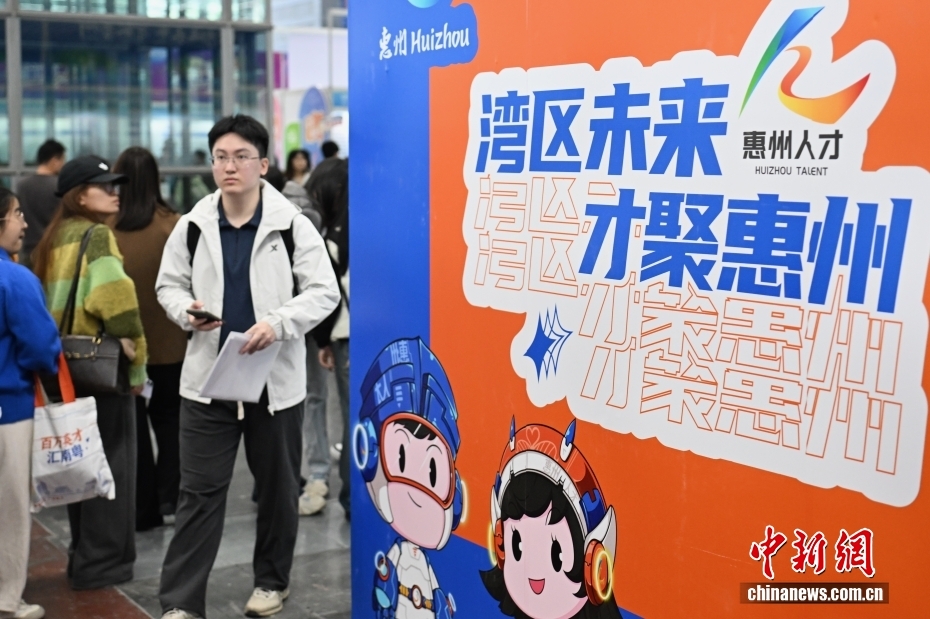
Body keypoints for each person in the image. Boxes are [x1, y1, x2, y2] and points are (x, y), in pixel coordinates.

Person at [154, 115, 340, 619]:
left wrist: (278, 324)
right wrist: (186, 310)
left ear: (262, 163)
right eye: (220, 157)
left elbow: (324, 292)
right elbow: (167, 285)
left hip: (273, 385)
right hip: (207, 384)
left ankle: (271, 581)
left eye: (240, 157)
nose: (229, 166)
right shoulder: (193, 225)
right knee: (198, 494)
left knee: (278, 491)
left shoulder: (291, 225)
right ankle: (180, 601)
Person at [31, 155, 149, 590]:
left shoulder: (52, 239)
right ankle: (104, 563)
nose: (116, 193)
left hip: (65, 368)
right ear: (80, 195)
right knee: (112, 466)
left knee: (81, 465)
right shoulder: (97, 236)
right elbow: (116, 301)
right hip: (102, 368)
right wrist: (137, 365)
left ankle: (83, 555)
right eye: (105, 186)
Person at [112, 147, 187, 530]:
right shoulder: (173, 225)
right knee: (171, 423)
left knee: (133, 429)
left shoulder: (106, 230)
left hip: (124, 349)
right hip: (171, 345)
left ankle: (142, 511)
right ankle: (171, 498)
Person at [0, 188, 61, 619]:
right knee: (10, 508)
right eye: (16, 214)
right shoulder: (15, 279)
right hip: (10, 409)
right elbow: (41, 346)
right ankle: (7, 598)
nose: (23, 223)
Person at [302, 157, 349, 519]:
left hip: (342, 334)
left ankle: (348, 496)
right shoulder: (361, 226)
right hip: (361, 333)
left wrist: (321, 341)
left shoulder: (333, 236)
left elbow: (328, 293)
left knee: (349, 413)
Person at [17, 139, 66, 270]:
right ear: (55, 160)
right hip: (52, 251)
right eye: (62, 160)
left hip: (27, 251)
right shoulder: (59, 186)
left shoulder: (22, 186)